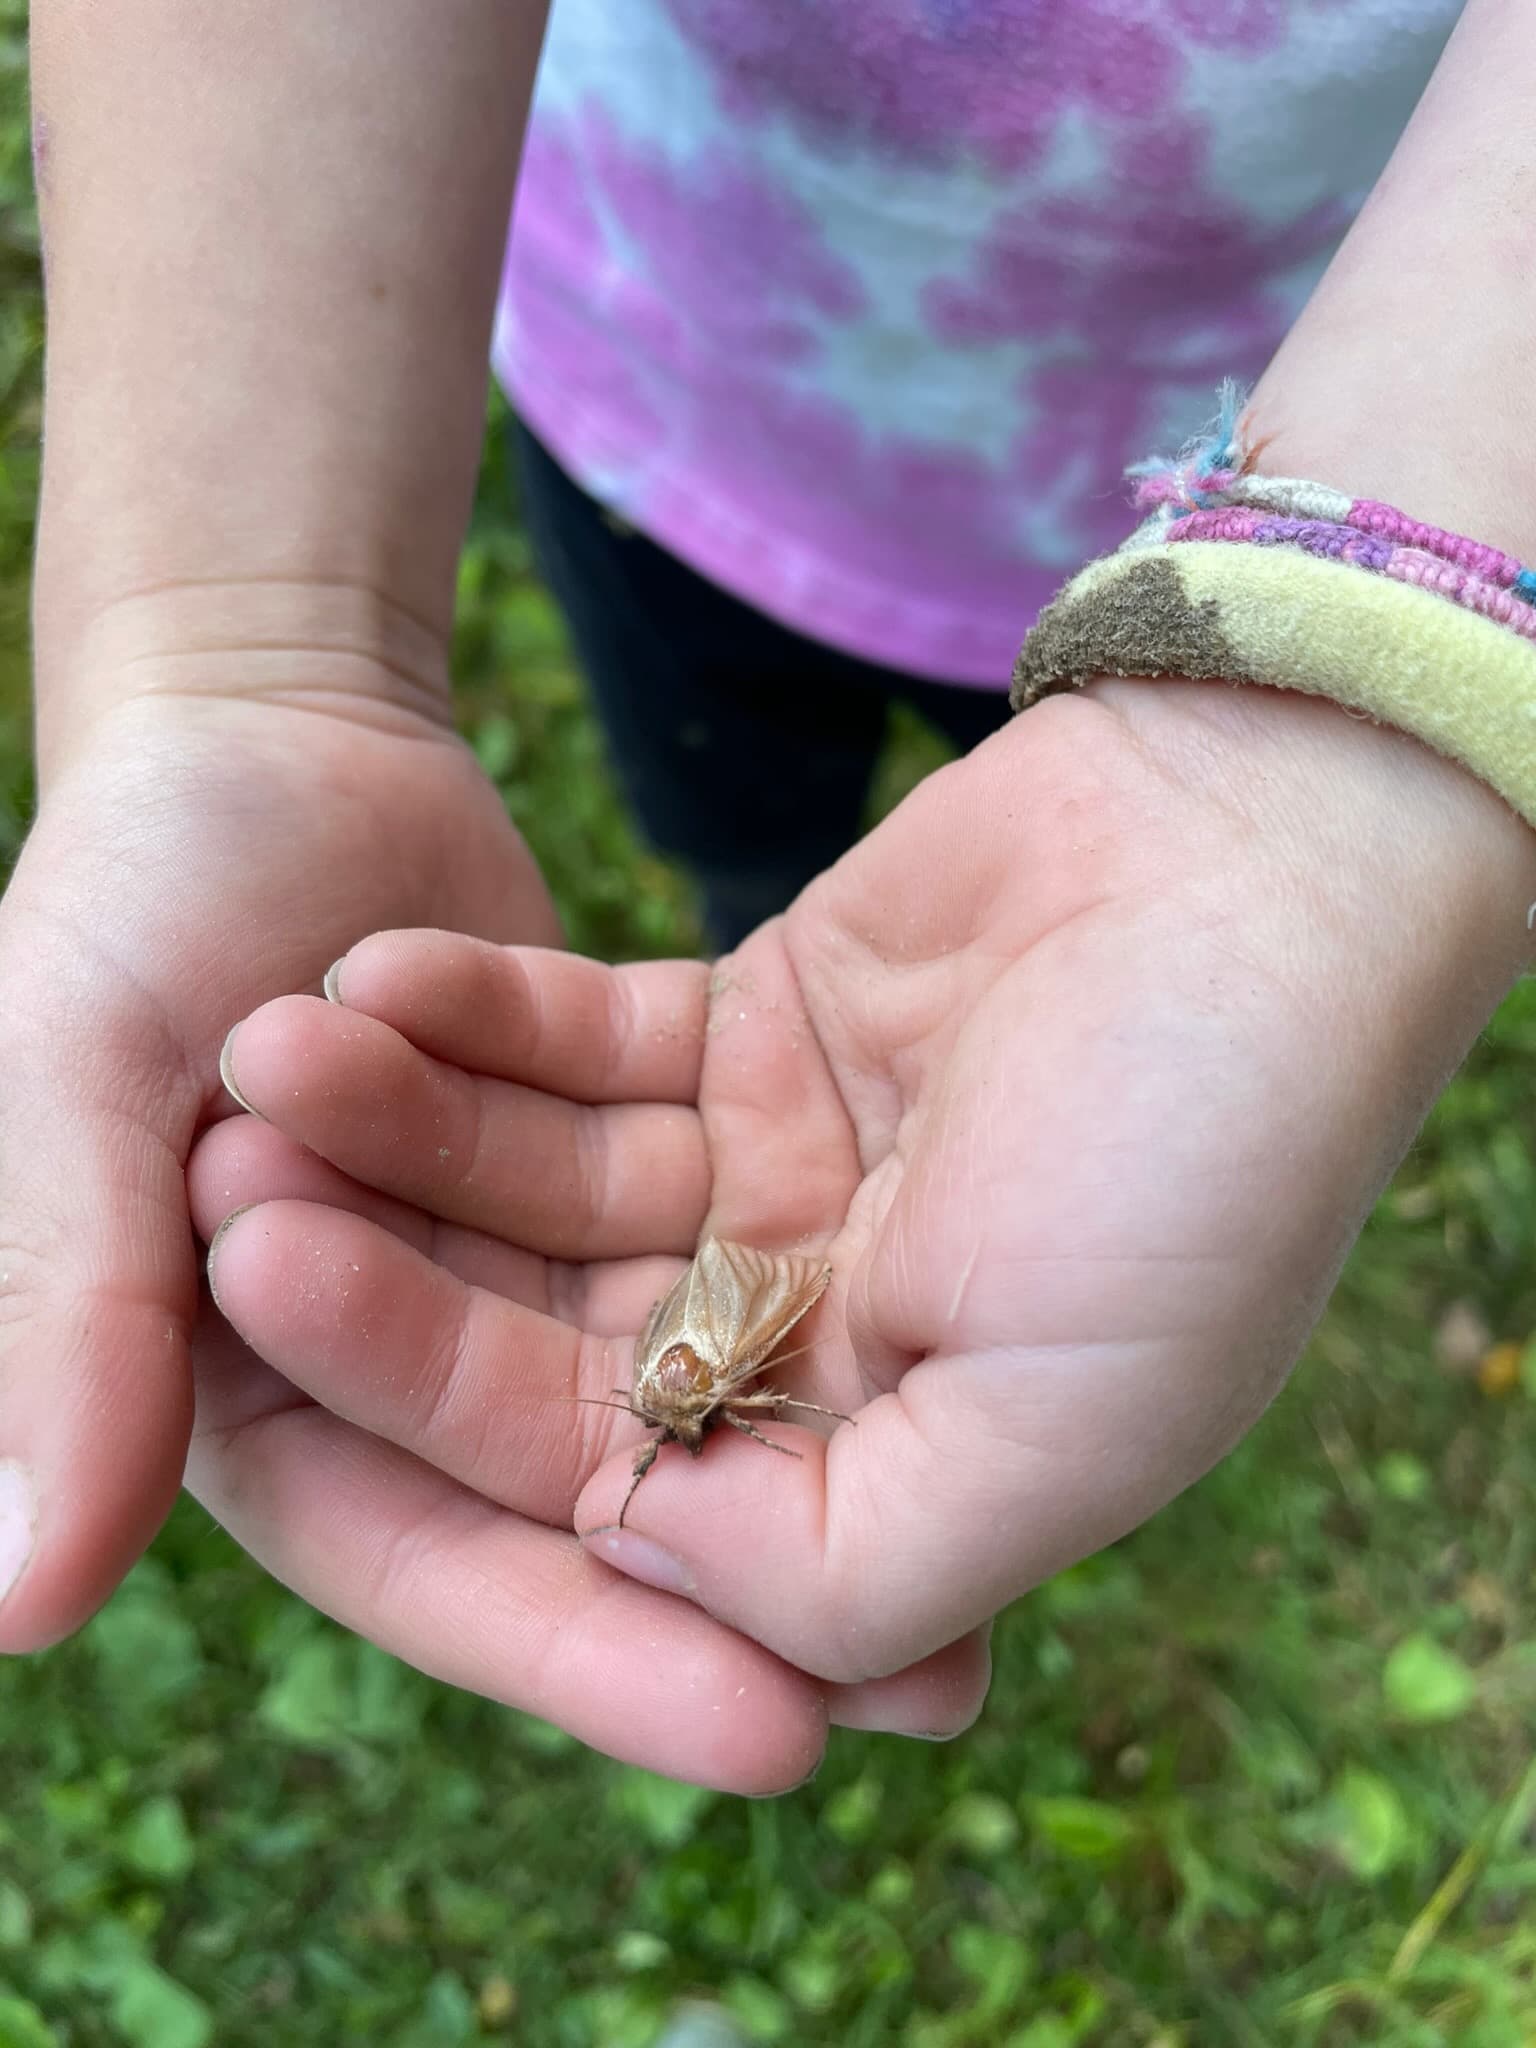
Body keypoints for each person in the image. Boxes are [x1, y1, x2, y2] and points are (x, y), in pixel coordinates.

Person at [4, 0, 1534, 1794]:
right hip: (661, 351)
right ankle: (754, 908)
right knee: (733, 813)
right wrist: (243, 634)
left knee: (958, 811)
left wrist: (1289, 776)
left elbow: (737, 1352)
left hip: (1279, 412)